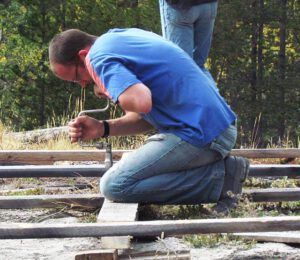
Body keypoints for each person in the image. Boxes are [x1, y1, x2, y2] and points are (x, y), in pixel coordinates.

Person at [49, 28, 249, 213]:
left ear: (83, 55)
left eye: (77, 77)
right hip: (213, 128)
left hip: (202, 134)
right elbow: (147, 116)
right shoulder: (120, 38)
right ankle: (218, 174)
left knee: (114, 185)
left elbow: (141, 102)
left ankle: (220, 179)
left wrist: (110, 87)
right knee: (128, 176)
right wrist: (103, 128)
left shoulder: (98, 57)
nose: (83, 84)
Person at [159, 0, 217, 82]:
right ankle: (211, 94)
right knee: (199, 66)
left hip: (181, 7)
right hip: (209, 5)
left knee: (181, 67)